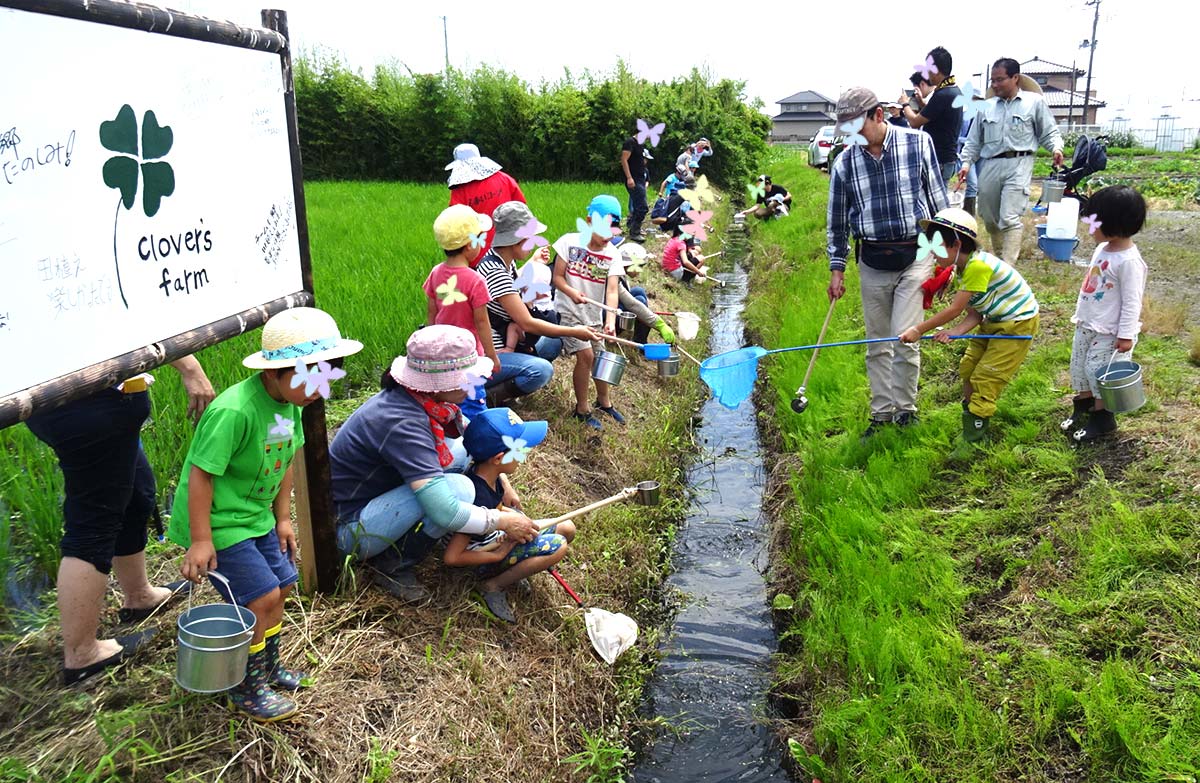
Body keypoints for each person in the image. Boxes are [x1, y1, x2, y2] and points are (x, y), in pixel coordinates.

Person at [171, 307, 361, 721]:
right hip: (221, 521)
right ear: (273, 372)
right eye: (311, 376)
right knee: (261, 598)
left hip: (256, 516)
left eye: (325, 376)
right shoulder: (233, 411)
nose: (319, 389)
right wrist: (201, 539)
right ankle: (246, 687)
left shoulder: (292, 402)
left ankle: (266, 665)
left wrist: (284, 519)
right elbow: (201, 475)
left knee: (285, 586)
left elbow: (286, 460)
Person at [25, 356, 214, 685]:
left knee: (137, 496)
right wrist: (190, 367)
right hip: (87, 404)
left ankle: (139, 596)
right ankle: (82, 654)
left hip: (96, 398)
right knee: (93, 524)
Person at [330, 325, 539, 604]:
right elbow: (444, 511)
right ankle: (394, 565)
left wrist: (502, 481)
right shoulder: (403, 423)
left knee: (464, 449)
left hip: (376, 497)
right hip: (348, 529)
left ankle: (422, 535)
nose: (474, 384)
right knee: (460, 491)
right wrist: (501, 521)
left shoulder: (425, 402)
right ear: (442, 383)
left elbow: (475, 439)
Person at [827, 87, 948, 437]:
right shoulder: (845, 163)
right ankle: (881, 415)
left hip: (917, 253)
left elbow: (939, 203)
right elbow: (837, 222)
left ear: (878, 115)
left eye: (856, 127)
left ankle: (906, 411)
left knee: (905, 337)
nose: (852, 137)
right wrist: (837, 268)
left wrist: (947, 259)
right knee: (876, 342)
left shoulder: (918, 144)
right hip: (873, 258)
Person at [899, 208, 1039, 450]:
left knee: (986, 376)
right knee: (969, 368)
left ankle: (974, 438)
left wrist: (918, 330)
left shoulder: (977, 267)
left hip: (1017, 324)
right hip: (993, 321)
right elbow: (974, 313)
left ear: (955, 245)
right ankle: (971, 423)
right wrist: (956, 332)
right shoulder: (963, 268)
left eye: (937, 245)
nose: (932, 251)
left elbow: (955, 309)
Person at [443, 408, 576, 624]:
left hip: (496, 535)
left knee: (567, 527)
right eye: (520, 448)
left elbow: (498, 508)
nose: (524, 453)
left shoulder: (489, 477)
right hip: (483, 557)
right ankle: (492, 585)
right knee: (558, 546)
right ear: (498, 458)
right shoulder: (477, 497)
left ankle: (517, 566)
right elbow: (452, 557)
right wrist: (498, 554)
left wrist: (513, 518)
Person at [477, 201, 602, 407]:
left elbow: (513, 286)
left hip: (512, 340)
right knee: (542, 370)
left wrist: (532, 261)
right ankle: (491, 396)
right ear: (516, 240)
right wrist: (574, 331)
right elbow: (526, 323)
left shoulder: (503, 261)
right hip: (495, 353)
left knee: (554, 341)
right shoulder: (495, 271)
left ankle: (511, 376)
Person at [1060, 186, 1148, 443]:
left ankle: (1103, 417)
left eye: (1093, 222)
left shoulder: (1129, 262)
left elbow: (1133, 302)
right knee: (1078, 367)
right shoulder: (1103, 249)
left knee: (1097, 371)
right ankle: (1083, 407)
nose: (1088, 227)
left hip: (1110, 331)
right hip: (1087, 322)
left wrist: (1126, 335)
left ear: (1113, 224)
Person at [957, 58, 1063, 264]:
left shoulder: (1034, 103)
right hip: (990, 164)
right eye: (992, 81)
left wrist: (1056, 148)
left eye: (1000, 80)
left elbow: (1049, 132)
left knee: (1009, 217)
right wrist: (966, 162)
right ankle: (1000, 261)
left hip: (1019, 163)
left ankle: (1007, 268)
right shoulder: (986, 107)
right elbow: (973, 141)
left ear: (1015, 78)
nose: (995, 85)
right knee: (989, 218)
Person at [551, 195, 626, 430]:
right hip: (568, 312)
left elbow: (612, 290)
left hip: (594, 315)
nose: (607, 237)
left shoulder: (612, 253)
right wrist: (571, 292)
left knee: (601, 357)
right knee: (586, 357)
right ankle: (581, 409)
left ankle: (604, 401)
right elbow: (557, 277)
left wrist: (610, 319)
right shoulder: (569, 243)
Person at [423, 204, 499, 420]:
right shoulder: (475, 280)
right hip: (469, 358)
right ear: (468, 246)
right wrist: (492, 357)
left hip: (443, 357)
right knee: (473, 404)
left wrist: (432, 348)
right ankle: (476, 444)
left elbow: (432, 312)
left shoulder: (436, 272)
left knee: (448, 402)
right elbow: (482, 322)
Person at [446, 143, 525, 257]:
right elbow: (521, 207)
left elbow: (455, 222)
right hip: (507, 247)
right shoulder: (504, 178)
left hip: (475, 251)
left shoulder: (460, 190)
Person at [898, 47, 963, 183]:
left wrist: (905, 104)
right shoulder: (953, 91)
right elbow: (937, 117)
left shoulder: (942, 94)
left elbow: (915, 122)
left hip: (939, 160)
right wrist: (922, 104)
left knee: (935, 202)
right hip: (947, 159)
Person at [619, 128, 649, 242]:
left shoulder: (640, 144)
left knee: (638, 206)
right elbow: (624, 160)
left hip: (640, 179)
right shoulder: (630, 142)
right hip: (634, 179)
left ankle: (633, 227)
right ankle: (634, 232)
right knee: (642, 207)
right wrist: (629, 178)